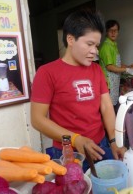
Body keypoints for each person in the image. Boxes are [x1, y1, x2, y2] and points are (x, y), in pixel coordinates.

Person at [30, 10, 126, 172]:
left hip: (100, 146)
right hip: (67, 152)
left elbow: (106, 107)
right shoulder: (47, 73)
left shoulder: (96, 70)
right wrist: (75, 139)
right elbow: (37, 119)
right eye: (89, 44)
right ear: (71, 39)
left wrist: (113, 140)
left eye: (96, 45)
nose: (95, 51)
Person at [99, 20, 133, 112]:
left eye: (115, 30)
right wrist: (126, 70)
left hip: (114, 82)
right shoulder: (106, 46)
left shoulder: (113, 45)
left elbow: (117, 64)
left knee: (113, 104)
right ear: (107, 32)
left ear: (118, 32)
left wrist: (129, 66)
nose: (113, 33)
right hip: (108, 83)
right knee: (109, 108)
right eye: (110, 30)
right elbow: (110, 67)